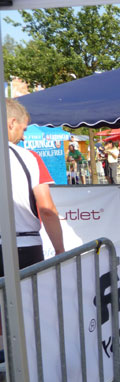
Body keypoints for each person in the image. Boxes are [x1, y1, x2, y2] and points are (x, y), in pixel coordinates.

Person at [0, 98, 64, 277]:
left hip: (21, 244)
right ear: (12, 123)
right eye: (24, 129)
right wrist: (60, 250)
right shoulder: (29, 157)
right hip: (24, 247)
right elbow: (47, 209)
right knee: (28, 295)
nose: (23, 137)